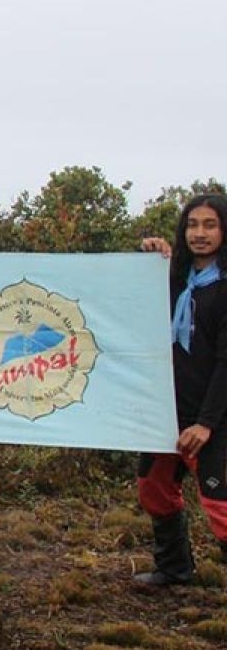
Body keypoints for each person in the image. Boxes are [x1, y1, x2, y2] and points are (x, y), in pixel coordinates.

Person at [136, 193, 227, 584]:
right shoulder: (176, 280)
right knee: (153, 488)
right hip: (165, 411)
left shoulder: (224, 288)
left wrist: (206, 423)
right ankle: (174, 568)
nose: (200, 234)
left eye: (210, 225)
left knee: (221, 509)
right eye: (192, 225)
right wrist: (153, 257)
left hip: (212, 418)